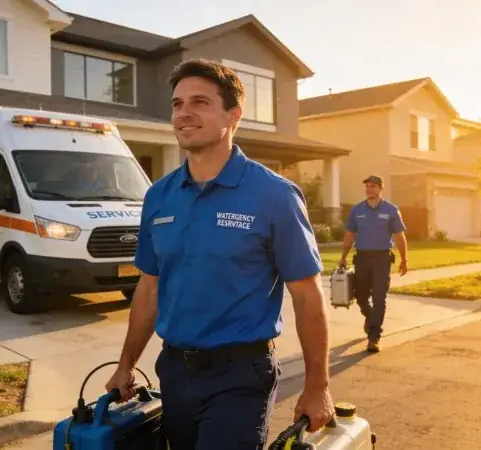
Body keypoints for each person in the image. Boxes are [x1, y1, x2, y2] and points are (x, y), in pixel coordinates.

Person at [105, 58, 335, 449]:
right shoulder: (158, 196)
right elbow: (149, 288)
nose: (184, 113)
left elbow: (308, 294)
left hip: (240, 375)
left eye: (200, 102)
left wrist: (318, 386)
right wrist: (125, 364)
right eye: (177, 104)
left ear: (234, 114)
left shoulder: (274, 195)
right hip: (175, 370)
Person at [339, 175, 408, 353]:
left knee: (379, 297)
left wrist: (404, 259)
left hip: (382, 259)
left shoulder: (391, 210)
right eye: (367, 186)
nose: (369, 189)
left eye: (373, 186)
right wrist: (343, 256)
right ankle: (371, 319)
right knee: (361, 297)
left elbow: (400, 236)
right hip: (361, 258)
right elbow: (349, 235)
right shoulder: (357, 210)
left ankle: (373, 337)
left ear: (380, 189)